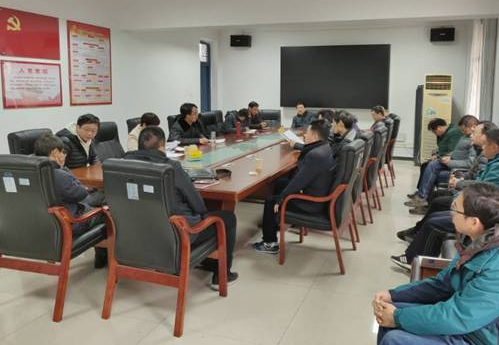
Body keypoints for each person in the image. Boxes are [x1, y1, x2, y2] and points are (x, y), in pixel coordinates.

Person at [375, 183, 499, 345]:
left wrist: (397, 318)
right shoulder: (480, 240)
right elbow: (442, 284)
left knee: (395, 338)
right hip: (483, 324)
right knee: (387, 316)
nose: (451, 212)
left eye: (455, 208)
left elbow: (458, 316)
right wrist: (393, 295)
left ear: (474, 222)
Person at [391, 127, 499, 269]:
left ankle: (414, 262)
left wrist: (460, 197)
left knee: (434, 223)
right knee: (434, 216)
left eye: (486, 144)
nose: (483, 148)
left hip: (489, 218)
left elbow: (485, 194)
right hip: (484, 210)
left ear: (494, 146)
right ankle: (415, 257)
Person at [124, 126, 238, 289]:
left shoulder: (122, 164)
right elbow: (198, 205)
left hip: (139, 231)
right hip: (177, 233)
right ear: (162, 146)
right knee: (228, 218)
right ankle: (222, 276)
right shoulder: (171, 168)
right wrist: (202, 214)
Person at [397, 121, 494, 242]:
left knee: (433, 171)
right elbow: (472, 172)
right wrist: (459, 175)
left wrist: (458, 180)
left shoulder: (485, 155)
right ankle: (418, 225)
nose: (471, 135)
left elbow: (479, 180)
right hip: (464, 183)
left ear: (485, 137)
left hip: (470, 195)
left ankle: (420, 215)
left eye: (475, 133)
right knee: (430, 170)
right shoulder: (478, 149)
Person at [253, 119, 335, 253]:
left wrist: (280, 199)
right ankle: (274, 221)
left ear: (314, 136)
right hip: (317, 192)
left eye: (307, 133)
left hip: (311, 203)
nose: (304, 135)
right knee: (280, 183)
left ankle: (270, 243)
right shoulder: (325, 147)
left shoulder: (315, 155)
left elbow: (298, 182)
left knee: (271, 201)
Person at [34, 132, 107, 268]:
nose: (65, 156)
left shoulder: (31, 173)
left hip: (45, 225)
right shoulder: (59, 175)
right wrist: (63, 168)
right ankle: (104, 258)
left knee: (98, 199)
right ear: (55, 153)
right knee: (107, 212)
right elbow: (80, 193)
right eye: (63, 153)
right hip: (71, 223)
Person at [405, 115, 479, 211]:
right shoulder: (465, 136)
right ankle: (422, 197)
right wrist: (449, 156)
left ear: (473, 127)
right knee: (430, 165)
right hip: (453, 162)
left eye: (464, 130)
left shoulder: (474, 142)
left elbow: (470, 163)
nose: (462, 132)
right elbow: (456, 151)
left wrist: (450, 161)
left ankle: (423, 198)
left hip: (457, 168)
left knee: (432, 168)